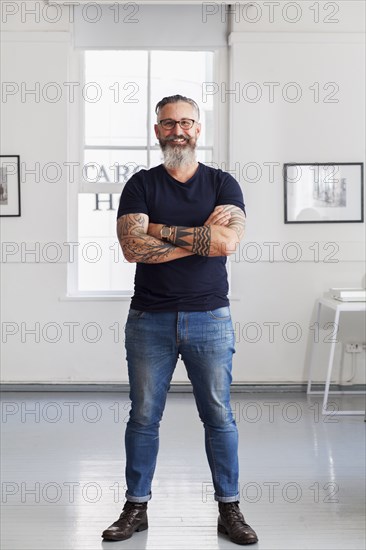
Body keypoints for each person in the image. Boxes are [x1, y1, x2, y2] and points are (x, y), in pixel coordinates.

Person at [102, 94, 258, 545]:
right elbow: (132, 248)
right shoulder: (141, 185)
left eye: (187, 122)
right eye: (169, 124)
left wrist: (158, 230)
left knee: (219, 417)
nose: (178, 130)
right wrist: (199, 238)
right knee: (144, 417)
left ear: (198, 129)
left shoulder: (222, 183)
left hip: (210, 316)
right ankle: (136, 508)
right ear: (157, 131)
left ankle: (229, 509)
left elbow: (228, 242)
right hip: (149, 318)